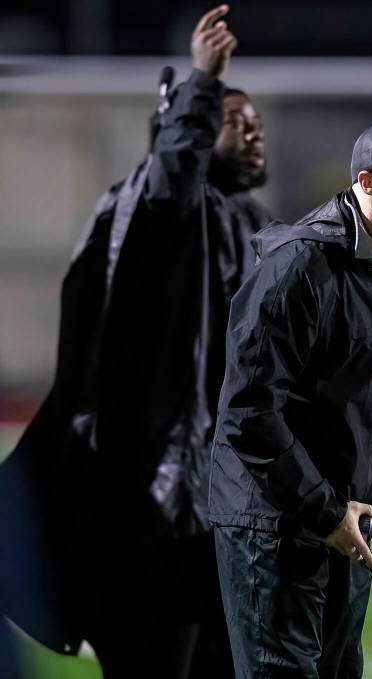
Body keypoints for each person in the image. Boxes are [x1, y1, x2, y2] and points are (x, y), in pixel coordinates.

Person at [0, 6, 269, 677]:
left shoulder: (246, 224)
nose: (254, 134)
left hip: (219, 506)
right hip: (156, 504)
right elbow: (170, 183)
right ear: (190, 130)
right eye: (235, 123)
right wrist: (204, 84)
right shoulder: (151, 206)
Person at [209, 115, 372, 678]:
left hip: (344, 525)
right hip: (275, 528)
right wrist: (324, 511)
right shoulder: (299, 268)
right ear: (371, 183)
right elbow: (248, 413)